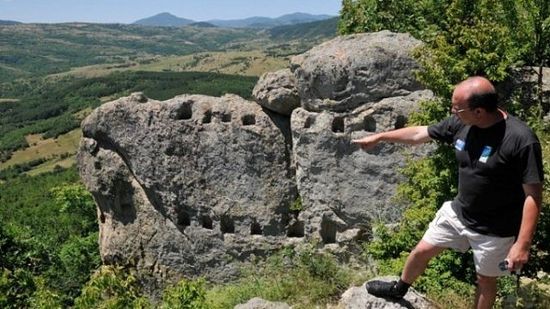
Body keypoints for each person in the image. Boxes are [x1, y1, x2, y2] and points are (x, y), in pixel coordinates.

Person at [352, 76, 544, 308]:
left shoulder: (520, 139)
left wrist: (522, 245)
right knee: (422, 250)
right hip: (459, 213)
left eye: (457, 107)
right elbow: (419, 134)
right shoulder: (462, 123)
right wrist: (381, 137)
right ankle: (399, 288)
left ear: (479, 111)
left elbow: (533, 195)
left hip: (495, 230)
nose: (452, 112)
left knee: (485, 279)